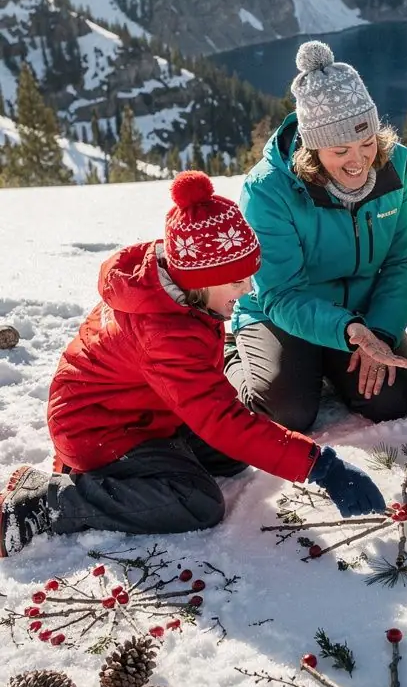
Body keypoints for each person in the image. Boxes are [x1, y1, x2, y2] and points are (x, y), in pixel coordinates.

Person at [0, 172, 385, 556]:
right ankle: (46, 502)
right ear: (201, 281)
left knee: (233, 455)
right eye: (236, 283)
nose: (247, 290)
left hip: (147, 411)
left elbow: (212, 409)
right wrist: (321, 467)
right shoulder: (165, 332)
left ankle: (147, 463)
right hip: (99, 429)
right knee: (197, 501)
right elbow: (220, 420)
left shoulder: (180, 283)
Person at [226, 40, 407, 432]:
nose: (358, 161)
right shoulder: (269, 189)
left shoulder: (399, 167)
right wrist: (347, 331)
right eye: (340, 151)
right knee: (286, 413)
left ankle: (329, 363)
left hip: (364, 314)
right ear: (313, 149)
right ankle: (235, 354)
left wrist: (382, 331)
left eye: (367, 143)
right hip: (282, 314)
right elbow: (280, 293)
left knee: (392, 399)